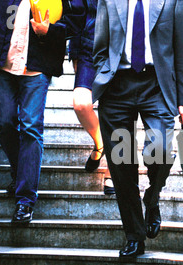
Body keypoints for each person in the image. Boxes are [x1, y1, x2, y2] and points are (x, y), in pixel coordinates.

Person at [0, 0, 87, 223]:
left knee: (31, 127)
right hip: (0, 62)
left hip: (37, 65)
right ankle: (21, 174)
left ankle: (25, 200)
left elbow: (78, 19)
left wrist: (51, 30)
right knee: (4, 123)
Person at [92, 0, 183, 258]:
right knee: (122, 165)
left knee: (159, 149)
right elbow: (100, 44)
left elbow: (181, 50)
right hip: (117, 89)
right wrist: (104, 71)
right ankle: (134, 235)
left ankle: (152, 196)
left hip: (156, 85)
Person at [68, 0, 115, 194]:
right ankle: (100, 143)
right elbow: (77, 11)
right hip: (89, 48)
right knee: (80, 103)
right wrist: (75, 52)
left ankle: (114, 173)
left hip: (119, 50)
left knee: (119, 112)